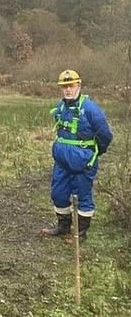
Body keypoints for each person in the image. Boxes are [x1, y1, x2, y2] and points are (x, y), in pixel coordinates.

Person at [41, 69, 113, 241]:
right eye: (64, 86)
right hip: (62, 162)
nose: (68, 90)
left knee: (83, 196)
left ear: (78, 85)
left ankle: (80, 233)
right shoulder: (60, 106)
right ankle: (63, 226)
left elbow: (105, 135)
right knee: (58, 193)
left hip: (83, 163)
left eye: (71, 86)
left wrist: (93, 154)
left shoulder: (90, 109)